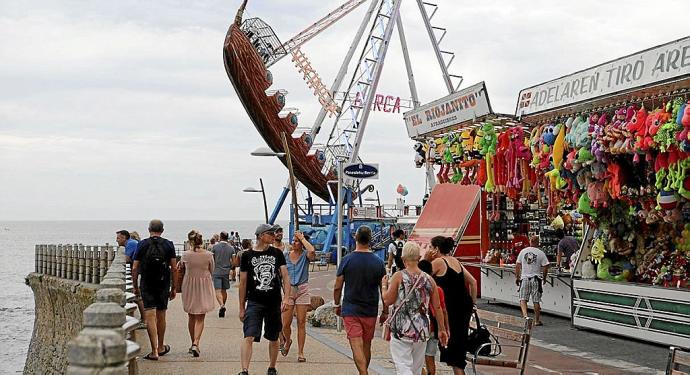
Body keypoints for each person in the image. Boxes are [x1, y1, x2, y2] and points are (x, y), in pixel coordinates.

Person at [381, 242, 448, 375]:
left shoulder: (398, 276)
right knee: (416, 368)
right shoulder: (429, 279)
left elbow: (388, 300)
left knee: (403, 366)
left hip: (401, 328)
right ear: (418, 258)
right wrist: (442, 329)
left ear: (403, 258)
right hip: (422, 329)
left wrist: (384, 286)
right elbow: (437, 307)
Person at [238, 224, 290, 375]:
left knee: (273, 336)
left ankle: (272, 367)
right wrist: (241, 307)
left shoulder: (277, 253)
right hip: (254, 301)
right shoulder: (247, 255)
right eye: (270, 233)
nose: (274, 236)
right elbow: (242, 282)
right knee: (249, 334)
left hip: (274, 301)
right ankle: (244, 370)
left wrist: (286, 298)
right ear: (260, 235)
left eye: (274, 233)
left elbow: (285, 276)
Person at [333, 226, 386, 375]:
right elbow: (383, 289)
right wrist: (385, 311)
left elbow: (337, 286)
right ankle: (364, 371)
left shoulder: (346, 260)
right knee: (366, 345)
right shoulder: (379, 262)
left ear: (355, 238)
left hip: (351, 309)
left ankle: (363, 373)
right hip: (370, 310)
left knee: (356, 345)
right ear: (370, 240)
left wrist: (336, 304)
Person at [425, 236, 477, 375]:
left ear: (436, 249)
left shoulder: (438, 262)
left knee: (451, 350)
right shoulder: (455, 261)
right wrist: (473, 304)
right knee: (458, 351)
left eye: (431, 247)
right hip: (464, 308)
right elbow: (473, 282)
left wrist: (425, 259)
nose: (429, 250)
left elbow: (420, 278)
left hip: (449, 310)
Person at [132, 219, 178, 361]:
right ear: (162, 230)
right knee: (161, 315)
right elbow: (174, 267)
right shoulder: (168, 244)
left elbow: (135, 267)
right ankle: (161, 346)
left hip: (147, 283)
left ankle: (153, 351)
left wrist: (135, 286)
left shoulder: (142, 244)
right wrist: (174, 287)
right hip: (163, 283)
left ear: (149, 229)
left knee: (150, 316)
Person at [280, 231, 316, 362]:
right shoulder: (285, 255)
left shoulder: (306, 255)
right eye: (293, 241)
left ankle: (301, 352)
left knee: (301, 322)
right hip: (289, 291)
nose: (294, 243)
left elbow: (312, 250)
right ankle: (287, 340)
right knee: (285, 324)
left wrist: (302, 238)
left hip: (302, 289)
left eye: (297, 241)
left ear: (302, 244)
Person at [179, 230, 215, 357]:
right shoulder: (209, 255)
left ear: (190, 241)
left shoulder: (185, 255)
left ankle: (192, 343)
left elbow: (181, 268)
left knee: (191, 315)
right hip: (204, 285)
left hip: (189, 285)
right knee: (200, 317)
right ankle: (196, 342)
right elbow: (212, 270)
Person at [418, 260, 449, 375]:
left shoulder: (418, 288)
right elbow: (443, 310)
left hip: (421, 327)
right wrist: (445, 328)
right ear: (431, 272)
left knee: (417, 359)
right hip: (435, 328)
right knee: (430, 357)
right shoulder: (438, 289)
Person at [515, 235, 550, 326]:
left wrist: (517, 277)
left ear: (530, 242)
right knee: (536, 300)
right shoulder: (540, 253)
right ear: (538, 243)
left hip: (525, 278)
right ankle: (537, 320)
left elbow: (518, 265)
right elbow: (546, 266)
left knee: (523, 299)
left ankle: (525, 317)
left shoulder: (523, 251)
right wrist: (544, 277)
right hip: (536, 279)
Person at [116, 230, 145, 324]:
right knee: (137, 296)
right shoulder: (131, 243)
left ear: (124, 238)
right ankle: (144, 319)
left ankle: (145, 320)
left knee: (138, 296)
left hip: (141, 271)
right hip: (140, 270)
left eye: (118, 238)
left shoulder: (131, 244)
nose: (116, 240)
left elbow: (127, 259)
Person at [211, 231, 235, 318]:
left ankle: (221, 305)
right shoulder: (231, 248)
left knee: (217, 290)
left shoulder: (215, 247)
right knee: (224, 290)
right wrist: (230, 267)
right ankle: (223, 305)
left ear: (220, 237)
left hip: (216, 271)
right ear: (227, 237)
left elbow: (212, 260)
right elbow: (234, 261)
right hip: (226, 271)